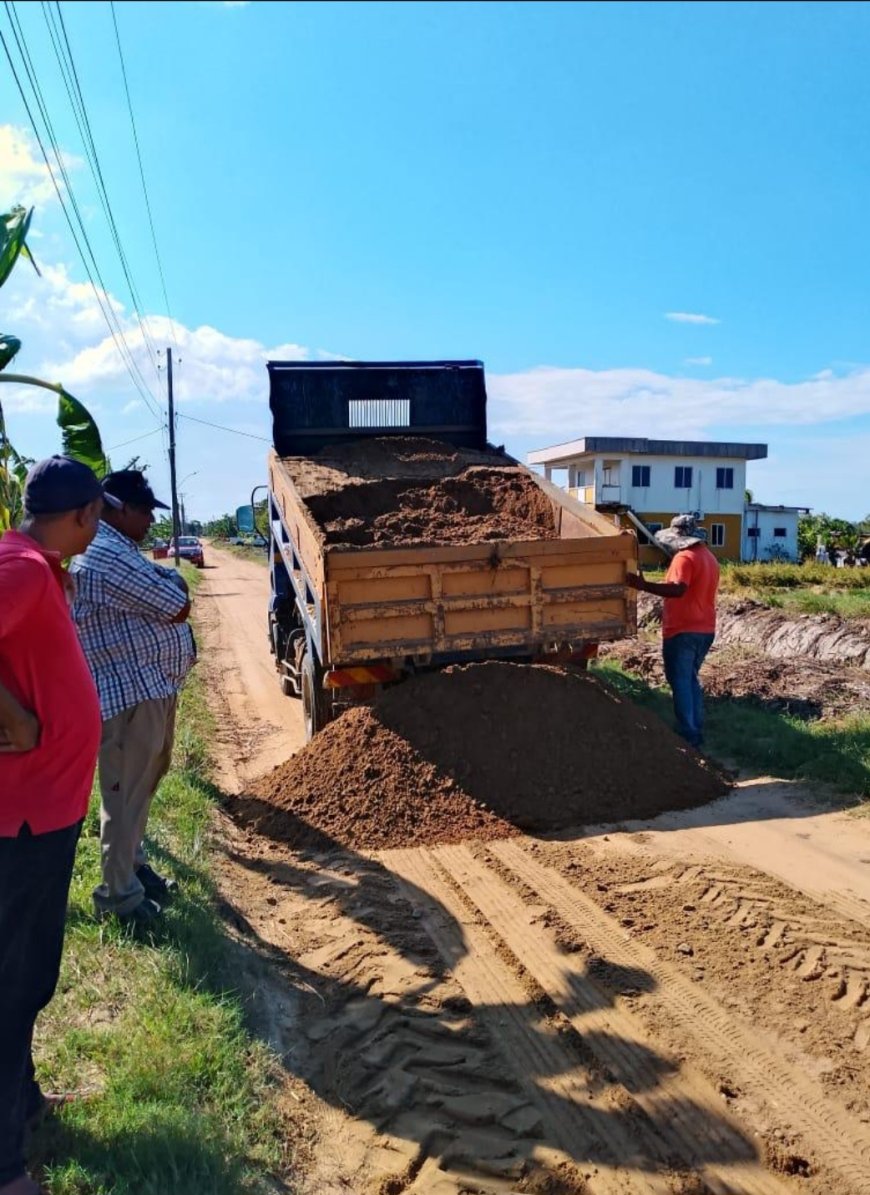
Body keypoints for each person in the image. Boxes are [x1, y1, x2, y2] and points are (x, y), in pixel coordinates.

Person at [0, 456, 114, 1195]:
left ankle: (25, 1103)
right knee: (13, 984)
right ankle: (5, 1165)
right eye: (96, 516)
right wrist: (10, 715)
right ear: (80, 516)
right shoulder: (24, 569)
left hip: (42, 812)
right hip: (25, 819)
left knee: (27, 973)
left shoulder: (34, 563)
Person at [70, 470, 196, 932]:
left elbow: (168, 589)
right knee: (124, 799)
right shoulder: (105, 552)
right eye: (144, 512)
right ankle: (119, 897)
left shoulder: (119, 549)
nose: (149, 522)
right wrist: (173, 587)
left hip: (149, 690)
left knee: (140, 790)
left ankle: (134, 868)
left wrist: (171, 585)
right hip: (129, 699)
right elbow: (176, 601)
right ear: (118, 508)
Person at [627, 513, 720, 750]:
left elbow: (678, 589)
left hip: (683, 630)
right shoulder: (708, 557)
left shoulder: (684, 558)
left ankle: (688, 734)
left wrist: (643, 585)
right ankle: (695, 729)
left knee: (680, 681)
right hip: (704, 628)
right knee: (689, 680)